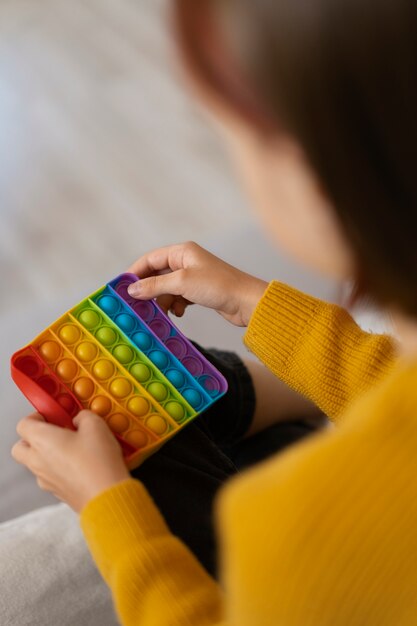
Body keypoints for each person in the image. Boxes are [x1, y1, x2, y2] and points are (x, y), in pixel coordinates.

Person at [11, 0, 417, 624]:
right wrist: (256, 304)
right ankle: (253, 400)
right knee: (192, 394)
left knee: (142, 451)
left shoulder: (291, 532)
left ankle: (246, 407)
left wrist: (110, 510)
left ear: (315, 173)